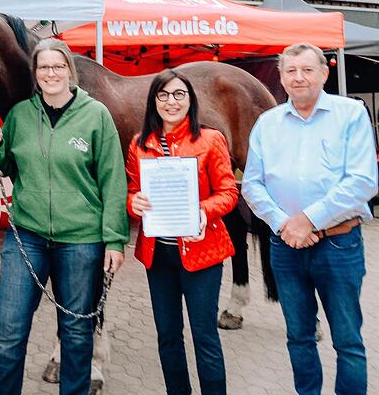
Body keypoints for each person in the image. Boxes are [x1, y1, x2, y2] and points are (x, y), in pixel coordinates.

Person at [0, 38, 128, 395]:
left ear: (70, 71)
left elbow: (113, 181)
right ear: (35, 73)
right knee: (8, 330)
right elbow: (5, 167)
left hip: (81, 240)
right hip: (27, 236)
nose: (51, 73)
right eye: (44, 67)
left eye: (58, 66)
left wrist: (114, 239)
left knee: (77, 334)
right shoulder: (19, 115)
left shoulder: (96, 115)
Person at [242, 42, 377, 395]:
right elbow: (252, 184)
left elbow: (363, 181)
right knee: (299, 337)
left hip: (339, 244)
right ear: (282, 78)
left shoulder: (350, 114)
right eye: (291, 71)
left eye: (306, 70)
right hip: (285, 246)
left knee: (347, 339)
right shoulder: (267, 123)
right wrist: (285, 224)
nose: (298, 77)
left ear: (324, 73)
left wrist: (309, 220)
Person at [126, 69, 238, 395]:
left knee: (204, 335)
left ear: (190, 100)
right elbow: (131, 191)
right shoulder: (139, 144)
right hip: (158, 255)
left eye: (179, 94)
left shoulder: (210, 139)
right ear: (153, 101)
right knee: (168, 336)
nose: (171, 102)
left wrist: (204, 210)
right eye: (163, 95)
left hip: (202, 253)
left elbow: (228, 192)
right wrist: (135, 202)